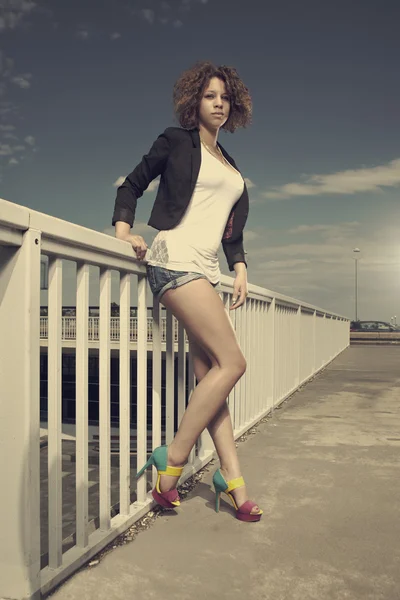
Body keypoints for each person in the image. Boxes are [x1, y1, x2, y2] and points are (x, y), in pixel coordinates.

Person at [112, 61, 262, 522]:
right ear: (194, 102)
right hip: (172, 260)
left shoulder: (230, 165)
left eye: (225, 98)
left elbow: (230, 228)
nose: (218, 103)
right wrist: (122, 231)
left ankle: (233, 483)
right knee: (233, 363)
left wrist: (237, 266)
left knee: (211, 379)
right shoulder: (176, 141)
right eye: (210, 96)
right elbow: (133, 183)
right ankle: (171, 464)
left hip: (206, 270)